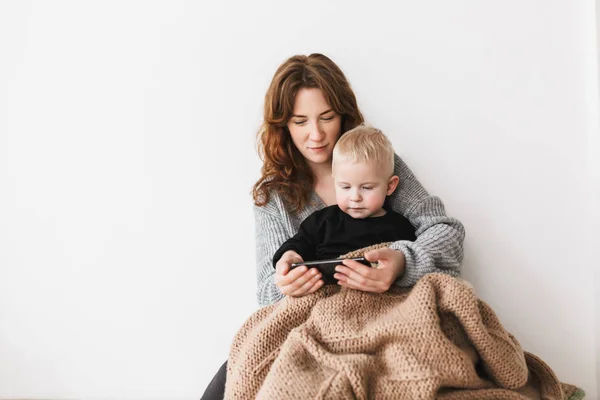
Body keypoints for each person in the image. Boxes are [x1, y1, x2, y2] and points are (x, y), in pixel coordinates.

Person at [200, 53, 465, 400]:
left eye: (326, 117)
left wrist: (401, 263)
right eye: (300, 122)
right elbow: (267, 292)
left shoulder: (377, 162)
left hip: (384, 315)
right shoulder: (274, 196)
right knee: (234, 374)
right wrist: (288, 281)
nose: (316, 134)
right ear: (283, 126)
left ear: (343, 115)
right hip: (308, 322)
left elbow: (445, 231)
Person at [272, 124, 417, 285]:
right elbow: (297, 245)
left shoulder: (400, 227)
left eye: (367, 188)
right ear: (335, 183)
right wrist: (289, 256)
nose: (355, 197)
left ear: (390, 186)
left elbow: (413, 262)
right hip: (329, 295)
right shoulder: (322, 222)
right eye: (345, 187)